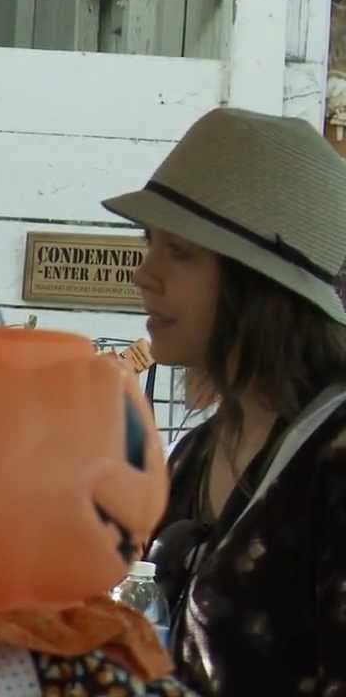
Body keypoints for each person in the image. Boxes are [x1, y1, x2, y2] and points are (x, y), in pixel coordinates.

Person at [102, 107, 346, 696]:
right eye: (149, 242)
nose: (146, 273)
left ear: (257, 283)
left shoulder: (334, 460)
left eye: (180, 252)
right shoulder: (196, 455)